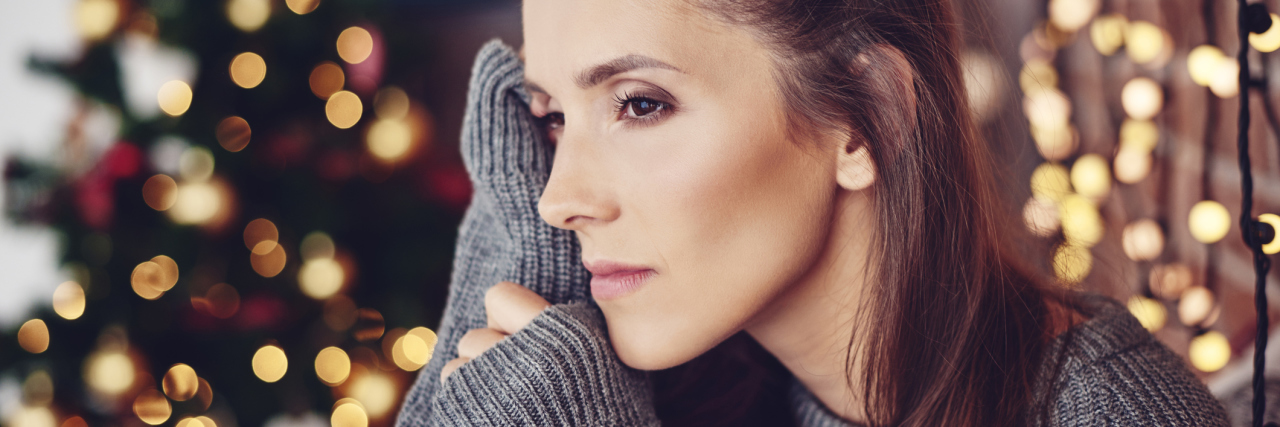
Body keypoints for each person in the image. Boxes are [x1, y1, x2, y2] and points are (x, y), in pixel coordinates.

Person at [395, 0, 1231, 425]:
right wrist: (508, 273)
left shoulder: (1112, 416)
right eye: (551, 119)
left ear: (868, 114)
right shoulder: (694, 389)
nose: (556, 198)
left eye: (640, 104)